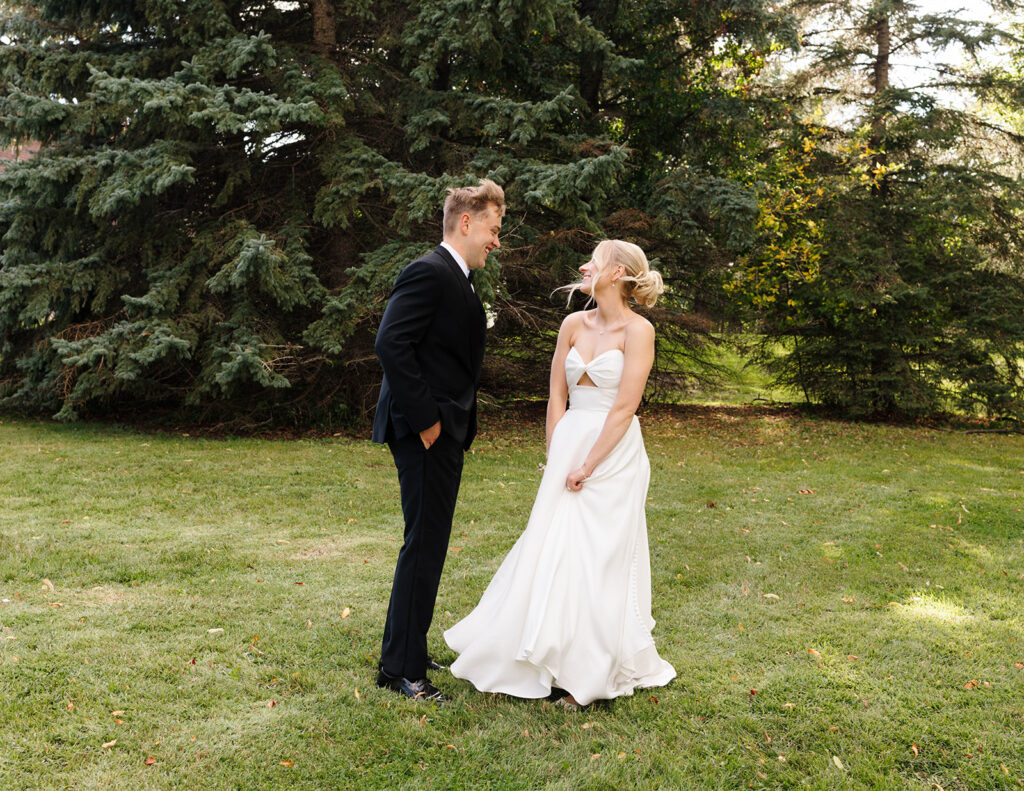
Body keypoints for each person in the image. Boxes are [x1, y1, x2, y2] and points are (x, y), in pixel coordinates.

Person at [444, 239, 676, 708]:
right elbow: (556, 396)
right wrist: (557, 453)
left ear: (616, 273)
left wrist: (589, 463)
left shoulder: (639, 331)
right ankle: (540, 655)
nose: (584, 266)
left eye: (595, 260)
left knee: (597, 558)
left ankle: (587, 677)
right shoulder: (572, 323)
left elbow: (626, 406)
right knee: (551, 549)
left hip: (613, 455)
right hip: (569, 442)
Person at [372, 178, 505, 703]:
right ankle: (401, 673)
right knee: (423, 546)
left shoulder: (461, 277)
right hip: (424, 432)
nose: (498, 240)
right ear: (467, 222)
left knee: (429, 545)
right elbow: (390, 343)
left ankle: (405, 649)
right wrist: (428, 422)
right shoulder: (429, 271)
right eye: (494, 229)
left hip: (442, 431)